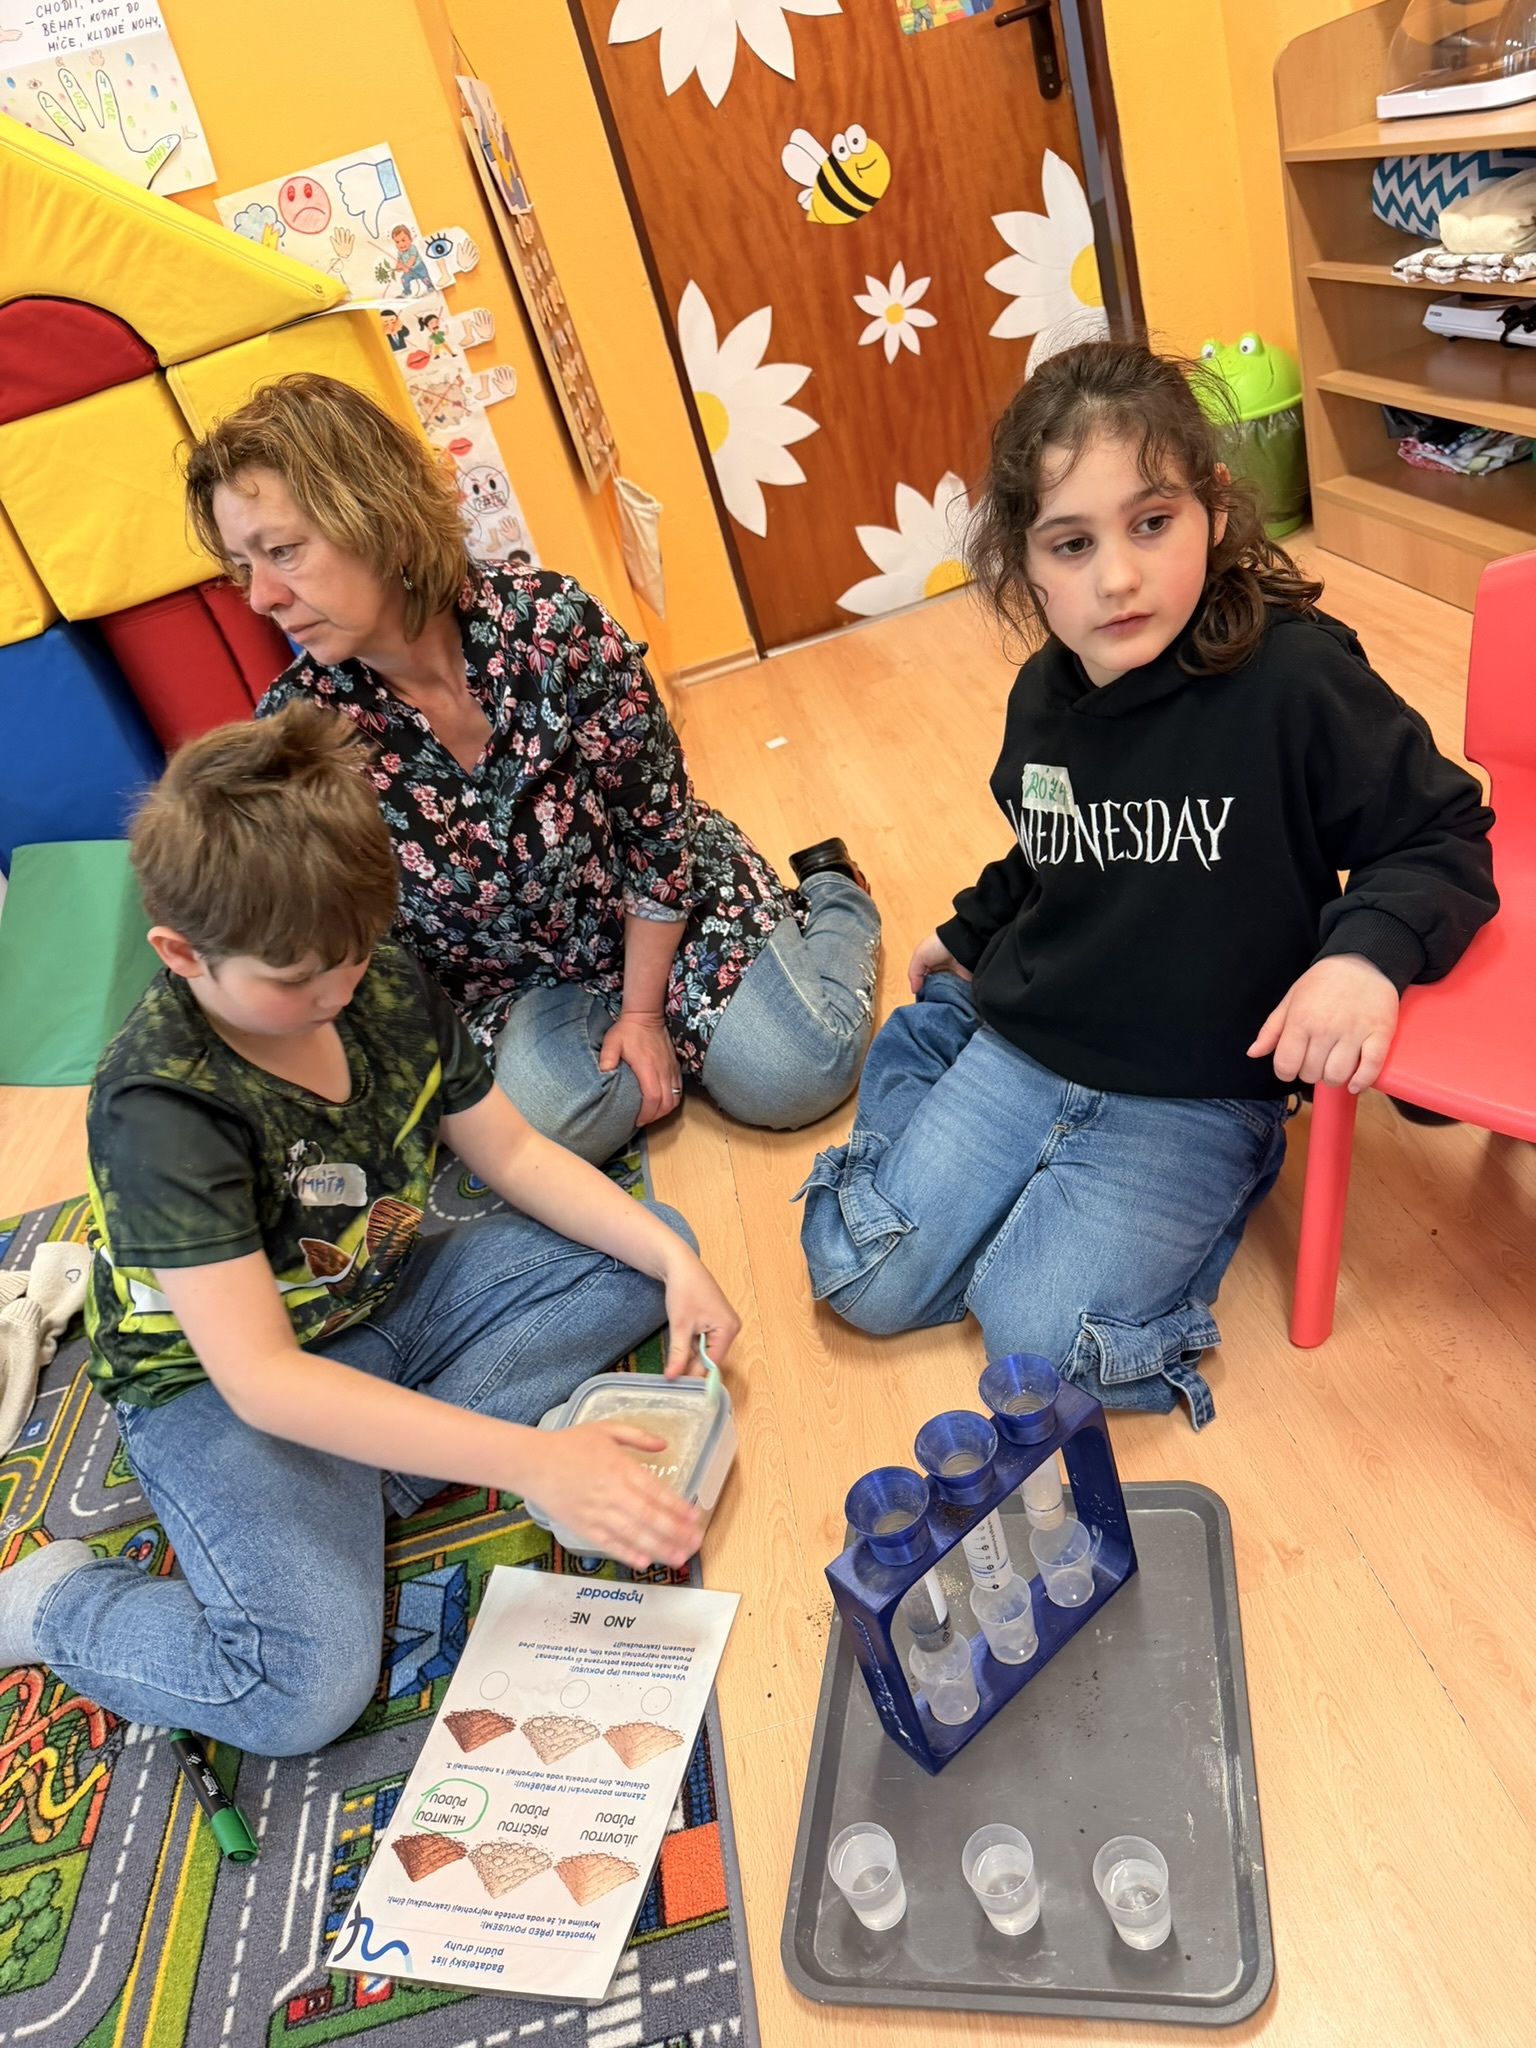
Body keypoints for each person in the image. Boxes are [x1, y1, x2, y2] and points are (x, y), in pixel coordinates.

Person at [0, 707, 741, 1756]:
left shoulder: (375, 977)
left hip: (372, 1302)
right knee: (298, 1693)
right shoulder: (160, 1107)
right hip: (216, 1389)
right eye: (294, 978)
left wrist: (671, 1260)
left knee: (645, 1245)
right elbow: (263, 1381)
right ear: (180, 952)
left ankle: (358, 1474)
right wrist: (535, 1459)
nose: (336, 991)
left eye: (350, 957)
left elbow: (514, 1154)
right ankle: (60, 1606)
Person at [798, 340, 1497, 1429]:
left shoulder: (1297, 681)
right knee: (865, 1279)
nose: (1116, 578)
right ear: (1024, 563)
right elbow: (1052, 844)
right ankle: (948, 1031)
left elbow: (1441, 831)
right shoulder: (1043, 695)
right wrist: (974, 931)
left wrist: (1362, 960)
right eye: (1072, 543)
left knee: (1041, 1350)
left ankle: (1205, 1169)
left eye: (1152, 523)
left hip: (1197, 1085)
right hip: (1035, 1035)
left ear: (1212, 510)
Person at [183, 374, 881, 1165]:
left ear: (382, 522)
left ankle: (832, 891)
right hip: (511, 988)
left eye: (283, 551)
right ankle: (689, 1030)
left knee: (797, 1075)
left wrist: (643, 1016)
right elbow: (362, 957)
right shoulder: (299, 731)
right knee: (548, 1128)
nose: (261, 597)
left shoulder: (550, 623)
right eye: (243, 565)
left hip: (656, 909)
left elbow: (656, 829)